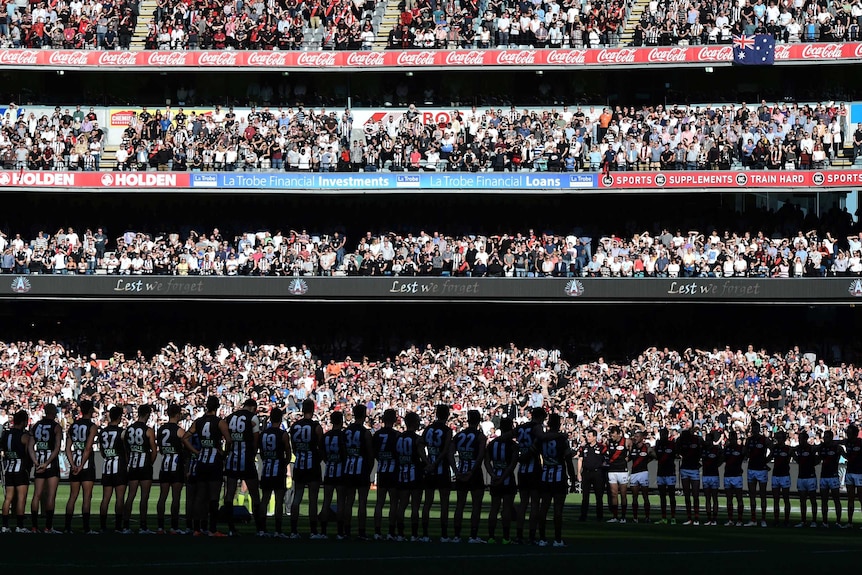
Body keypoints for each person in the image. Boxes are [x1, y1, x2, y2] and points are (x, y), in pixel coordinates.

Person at [185, 396, 226, 537]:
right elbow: (230, 440)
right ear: (217, 407)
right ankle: (212, 529)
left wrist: (196, 451)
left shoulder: (198, 422)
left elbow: (185, 438)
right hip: (214, 461)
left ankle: (196, 529)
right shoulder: (220, 422)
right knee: (213, 496)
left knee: (199, 496)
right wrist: (223, 453)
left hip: (201, 460)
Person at [221, 398, 262, 537]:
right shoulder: (253, 418)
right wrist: (252, 455)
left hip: (232, 459)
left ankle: (231, 528)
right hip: (246, 460)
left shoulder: (230, 417)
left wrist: (226, 452)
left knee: (229, 494)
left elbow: (227, 438)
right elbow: (256, 439)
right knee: (255, 494)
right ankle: (259, 528)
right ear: (253, 407)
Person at [535, 413, 575, 547]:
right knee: (558, 509)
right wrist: (573, 479)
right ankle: (558, 539)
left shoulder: (542, 439)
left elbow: (534, 452)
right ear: (558, 424)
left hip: (545, 474)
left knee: (544, 508)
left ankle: (542, 538)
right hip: (559, 475)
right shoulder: (562, 439)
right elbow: (568, 460)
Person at [450, 409, 487, 543]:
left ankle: (457, 535)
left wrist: (455, 470)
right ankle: (473, 535)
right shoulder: (480, 436)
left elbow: (450, 453)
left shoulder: (459, 435)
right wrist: (472, 470)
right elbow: (481, 455)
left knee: (460, 504)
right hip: (474, 472)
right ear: (478, 421)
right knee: (476, 505)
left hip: (461, 469)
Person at [289, 398, 324, 539]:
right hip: (312, 464)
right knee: (313, 499)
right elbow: (322, 447)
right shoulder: (316, 426)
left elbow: (294, 447)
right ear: (313, 409)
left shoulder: (294, 426)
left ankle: (293, 530)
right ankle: (313, 531)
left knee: (297, 497)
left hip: (299, 464)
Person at [64, 399, 98, 534]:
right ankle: (86, 527)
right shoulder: (92, 426)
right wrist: (82, 465)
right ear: (90, 411)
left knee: (72, 496)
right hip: (86, 465)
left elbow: (68, 448)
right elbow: (88, 448)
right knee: (87, 496)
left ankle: (67, 527)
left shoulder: (73, 426)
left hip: (75, 463)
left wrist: (73, 464)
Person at [123, 404, 158, 534]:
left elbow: (126, 449)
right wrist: (150, 463)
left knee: (130, 495)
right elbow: (154, 451)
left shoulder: (129, 429)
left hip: (132, 464)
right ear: (147, 415)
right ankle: (143, 526)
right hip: (144, 466)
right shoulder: (148, 430)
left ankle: (126, 526)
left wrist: (129, 461)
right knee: (144, 497)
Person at [421, 404, 453, 542]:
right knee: (444, 502)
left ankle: (425, 534)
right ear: (447, 415)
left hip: (430, 470)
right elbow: (446, 450)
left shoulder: (428, 429)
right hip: (441, 469)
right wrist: (435, 464)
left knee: (427, 502)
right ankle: (444, 535)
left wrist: (427, 462)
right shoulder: (447, 430)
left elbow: (420, 445)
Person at [259, 407, 292, 538]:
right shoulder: (283, 434)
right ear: (281, 419)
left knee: (265, 499)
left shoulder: (263, 434)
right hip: (278, 469)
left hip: (266, 469)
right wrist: (284, 463)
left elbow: (261, 452)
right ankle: (278, 530)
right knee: (279, 500)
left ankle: (262, 529)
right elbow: (288, 453)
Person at [343, 403, 374, 540]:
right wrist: (369, 469)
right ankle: (361, 531)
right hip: (361, 469)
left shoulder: (347, 431)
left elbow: (343, 450)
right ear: (364, 414)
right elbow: (370, 453)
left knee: (348, 501)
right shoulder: (365, 432)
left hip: (349, 468)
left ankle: (347, 531)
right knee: (362, 502)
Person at [30, 403, 62, 533]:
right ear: (53, 412)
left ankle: (34, 526)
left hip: (39, 459)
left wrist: (36, 462)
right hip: (51, 463)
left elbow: (31, 447)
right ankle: (48, 527)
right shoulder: (56, 426)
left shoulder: (36, 425)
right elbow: (57, 447)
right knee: (51, 495)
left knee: (36, 495)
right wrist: (47, 463)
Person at [156, 404, 188, 535]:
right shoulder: (179, 430)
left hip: (165, 464)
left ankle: (160, 527)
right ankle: (174, 527)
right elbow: (187, 445)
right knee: (176, 497)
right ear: (177, 414)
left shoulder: (161, 429)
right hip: (176, 465)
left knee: (162, 496)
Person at [484, 417, 517, 544]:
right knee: (506, 508)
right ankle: (506, 537)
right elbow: (512, 464)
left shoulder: (493, 443)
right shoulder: (513, 445)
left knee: (494, 507)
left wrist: (493, 474)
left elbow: (487, 461)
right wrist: (503, 477)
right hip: (507, 478)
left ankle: (491, 537)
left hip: (495, 477)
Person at [395, 411, 427, 541]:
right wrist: (429, 465)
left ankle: (400, 534)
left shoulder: (399, 438)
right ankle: (414, 534)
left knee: (401, 505)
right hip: (415, 474)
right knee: (415, 506)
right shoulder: (417, 439)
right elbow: (422, 456)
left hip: (402, 473)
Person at [516, 407, 546, 541]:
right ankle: (532, 535)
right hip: (533, 468)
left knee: (523, 503)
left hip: (522, 469)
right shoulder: (537, 427)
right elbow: (539, 442)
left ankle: (519, 534)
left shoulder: (522, 427)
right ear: (540, 418)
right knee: (534, 503)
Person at [1, 410, 33, 533]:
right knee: (21, 497)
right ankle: (20, 526)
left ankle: (5, 526)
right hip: (20, 469)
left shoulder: (6, 434)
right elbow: (28, 453)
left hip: (9, 468)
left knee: (8, 498)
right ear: (24, 422)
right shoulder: (24, 436)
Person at [99, 406, 128, 533]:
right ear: (120, 417)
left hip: (107, 465)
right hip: (119, 466)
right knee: (120, 497)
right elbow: (126, 451)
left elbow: (101, 451)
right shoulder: (122, 432)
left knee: (105, 498)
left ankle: (103, 526)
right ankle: (118, 526)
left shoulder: (103, 432)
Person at [319, 411, 347, 539]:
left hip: (329, 470)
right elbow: (345, 454)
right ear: (341, 421)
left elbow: (323, 454)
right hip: (340, 471)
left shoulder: (326, 436)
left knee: (326, 501)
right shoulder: (343, 436)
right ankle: (340, 532)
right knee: (341, 501)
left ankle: (323, 531)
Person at [372, 409, 400, 541]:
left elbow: (374, 453)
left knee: (379, 502)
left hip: (382, 470)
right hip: (393, 471)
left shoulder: (377, 434)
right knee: (394, 502)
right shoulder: (397, 435)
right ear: (394, 420)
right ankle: (391, 531)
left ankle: (377, 531)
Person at [744, 420, 771, 527]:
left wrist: (766, 460)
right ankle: (753, 518)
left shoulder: (764, 439)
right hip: (751, 469)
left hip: (761, 469)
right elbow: (745, 452)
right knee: (752, 495)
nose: (754, 430)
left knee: (763, 495)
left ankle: (763, 519)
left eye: (756, 428)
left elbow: (772, 450)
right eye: (753, 428)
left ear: (758, 429)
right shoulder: (749, 440)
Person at [577, 427, 606, 523]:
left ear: (594, 437)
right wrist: (578, 472)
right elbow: (580, 459)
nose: (587, 438)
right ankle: (583, 515)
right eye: (587, 436)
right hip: (586, 473)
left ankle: (599, 516)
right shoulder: (584, 447)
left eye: (589, 436)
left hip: (597, 473)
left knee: (599, 496)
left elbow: (606, 459)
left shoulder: (601, 447)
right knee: (585, 496)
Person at [818, 429, 845, 527]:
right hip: (824, 476)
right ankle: (824, 522)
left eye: (827, 436)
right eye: (824, 436)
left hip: (833, 476)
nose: (825, 438)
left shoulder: (837, 448)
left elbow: (846, 456)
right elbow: (817, 459)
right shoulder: (821, 447)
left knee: (836, 499)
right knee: (824, 500)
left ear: (831, 438)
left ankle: (838, 522)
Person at [677, 427, 703, 525]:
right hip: (685, 469)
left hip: (694, 469)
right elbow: (677, 448)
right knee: (687, 495)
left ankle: (696, 517)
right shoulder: (682, 442)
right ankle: (689, 517)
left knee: (695, 495)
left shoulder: (697, 440)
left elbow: (702, 448)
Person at [605, 425, 632, 523]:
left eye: (614, 435)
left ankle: (623, 516)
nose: (612, 437)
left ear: (618, 434)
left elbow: (631, 452)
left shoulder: (626, 441)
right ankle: (615, 516)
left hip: (622, 470)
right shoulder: (609, 442)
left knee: (623, 494)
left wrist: (628, 459)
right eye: (611, 435)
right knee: (613, 494)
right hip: (612, 470)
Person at [793, 431, 820, 527]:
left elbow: (818, 458)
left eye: (801, 439)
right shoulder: (798, 449)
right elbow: (794, 455)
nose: (800, 440)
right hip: (801, 476)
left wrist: (811, 465)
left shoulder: (811, 448)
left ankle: (814, 521)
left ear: (805, 439)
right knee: (802, 500)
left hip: (810, 477)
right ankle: (803, 521)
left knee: (813, 499)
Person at [628, 430, 655, 523]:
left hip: (643, 473)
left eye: (637, 436)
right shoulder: (632, 448)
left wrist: (648, 460)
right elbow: (628, 458)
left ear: (642, 438)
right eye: (635, 436)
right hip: (634, 473)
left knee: (645, 496)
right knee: (634, 497)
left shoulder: (646, 448)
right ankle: (635, 517)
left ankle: (647, 517)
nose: (635, 438)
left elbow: (654, 456)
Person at [654, 427, 678, 524]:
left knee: (672, 496)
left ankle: (673, 517)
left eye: (664, 434)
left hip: (670, 472)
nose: (662, 436)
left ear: (667, 435)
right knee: (662, 496)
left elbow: (675, 455)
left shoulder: (672, 444)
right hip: (661, 472)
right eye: (661, 434)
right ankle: (663, 517)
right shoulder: (658, 444)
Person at [723, 429, 745, 526]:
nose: (732, 440)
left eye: (733, 438)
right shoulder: (726, 448)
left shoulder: (741, 448)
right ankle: (730, 519)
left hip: (737, 476)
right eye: (731, 438)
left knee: (739, 498)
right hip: (727, 475)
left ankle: (740, 520)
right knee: (729, 499)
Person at [701, 430, 723, 526]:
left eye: (709, 440)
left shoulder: (716, 449)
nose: (708, 441)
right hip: (706, 475)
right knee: (707, 499)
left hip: (714, 475)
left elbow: (721, 459)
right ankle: (709, 518)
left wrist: (716, 465)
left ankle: (714, 518)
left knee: (714, 498)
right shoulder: (703, 449)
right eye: (707, 439)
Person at [770, 430, 792, 527]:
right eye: (777, 438)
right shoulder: (774, 448)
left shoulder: (788, 449)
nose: (778, 440)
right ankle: (776, 519)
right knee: (776, 499)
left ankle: (786, 520)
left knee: (786, 498)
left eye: (780, 438)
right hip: (776, 475)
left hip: (784, 475)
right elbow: (769, 457)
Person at [845, 423, 862, 527]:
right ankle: (849, 522)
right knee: (850, 498)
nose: (848, 435)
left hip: (859, 473)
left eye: (850, 433)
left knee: (861, 498)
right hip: (850, 472)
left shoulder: (860, 442)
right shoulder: (847, 442)